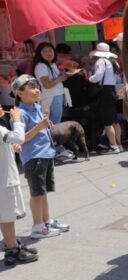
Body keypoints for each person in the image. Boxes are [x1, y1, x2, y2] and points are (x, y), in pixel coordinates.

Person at [13, 75, 70, 239]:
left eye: (36, 86)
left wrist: (46, 124)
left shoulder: (36, 107)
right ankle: (38, 227)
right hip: (34, 156)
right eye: (31, 87)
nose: (36, 90)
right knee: (36, 193)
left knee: (42, 192)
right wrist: (39, 127)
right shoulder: (20, 113)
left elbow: (41, 127)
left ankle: (47, 221)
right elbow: (21, 138)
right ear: (20, 93)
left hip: (45, 153)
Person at [1, 106, 39, 266]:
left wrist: (10, 146)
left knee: (5, 215)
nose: (2, 107)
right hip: (4, 181)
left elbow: (12, 141)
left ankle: (13, 245)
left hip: (4, 179)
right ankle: (12, 250)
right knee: (7, 217)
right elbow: (18, 137)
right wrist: (16, 119)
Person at [30, 42, 81, 161]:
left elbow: (53, 80)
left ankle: (54, 149)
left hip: (56, 96)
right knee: (53, 125)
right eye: (45, 51)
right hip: (50, 97)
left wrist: (64, 74)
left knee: (53, 124)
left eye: (50, 51)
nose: (48, 53)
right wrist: (61, 78)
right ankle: (56, 150)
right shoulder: (41, 66)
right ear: (39, 54)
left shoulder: (51, 64)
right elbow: (47, 85)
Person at [88, 43, 123, 154]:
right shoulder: (114, 62)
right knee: (115, 121)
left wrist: (89, 77)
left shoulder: (100, 61)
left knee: (107, 121)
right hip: (113, 90)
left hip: (104, 92)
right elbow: (117, 79)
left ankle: (113, 146)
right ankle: (119, 144)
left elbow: (98, 76)